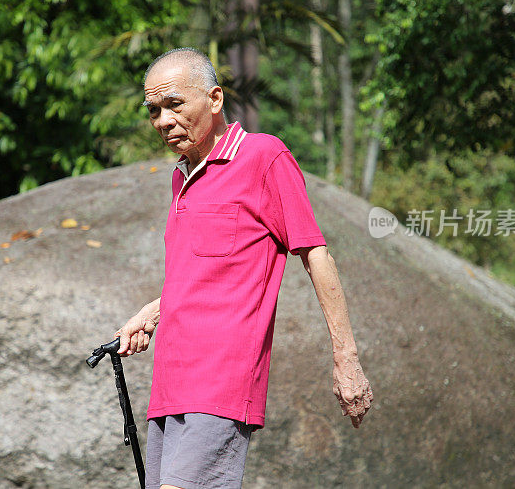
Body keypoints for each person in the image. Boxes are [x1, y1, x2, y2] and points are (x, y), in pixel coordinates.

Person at [115, 47, 373, 489]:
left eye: (175, 104)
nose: (162, 120)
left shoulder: (263, 157)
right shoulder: (180, 178)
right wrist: (151, 312)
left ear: (214, 99)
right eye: (154, 110)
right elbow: (209, 275)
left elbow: (316, 255)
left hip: (221, 384)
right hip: (168, 386)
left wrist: (346, 360)